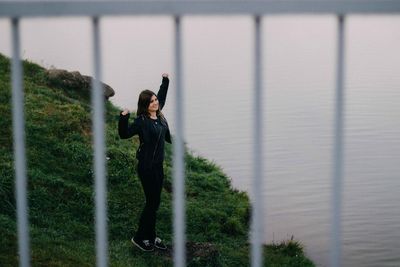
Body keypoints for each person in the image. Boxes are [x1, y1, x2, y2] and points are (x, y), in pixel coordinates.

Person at [118, 73, 171, 252]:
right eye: (151, 102)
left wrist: (165, 81)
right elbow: (124, 134)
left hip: (157, 167)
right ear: (145, 106)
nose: (155, 103)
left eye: (155, 100)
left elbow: (162, 95)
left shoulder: (159, 114)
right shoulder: (142, 121)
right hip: (146, 167)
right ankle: (140, 237)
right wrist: (123, 117)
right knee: (152, 202)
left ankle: (151, 236)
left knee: (155, 203)